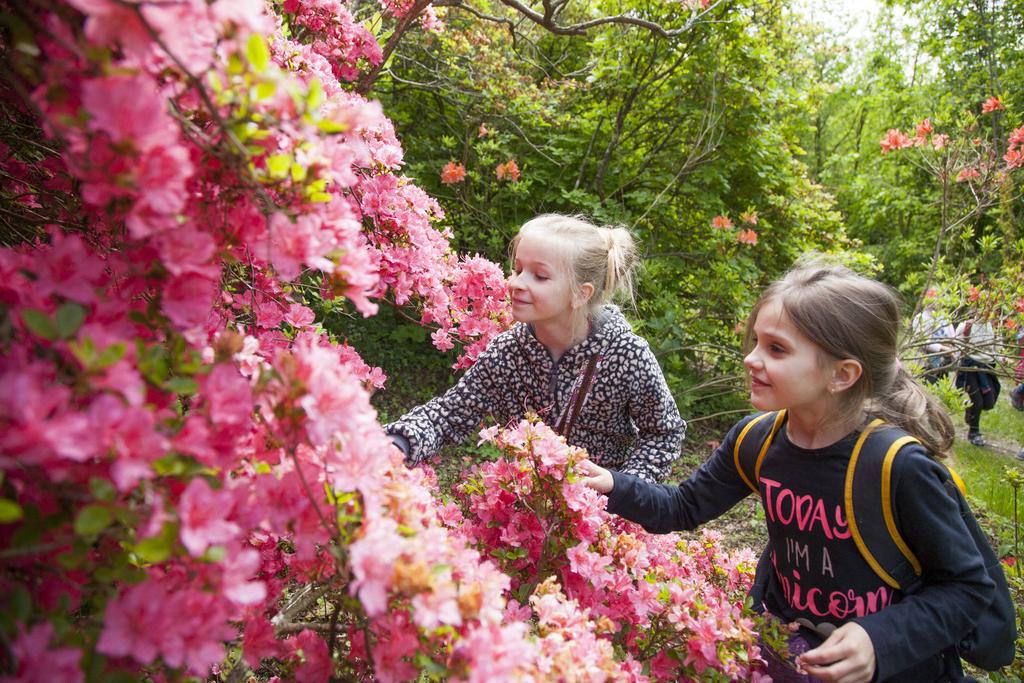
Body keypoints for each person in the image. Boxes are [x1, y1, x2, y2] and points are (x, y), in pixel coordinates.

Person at [580, 259, 994, 682]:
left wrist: (878, 639)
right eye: (756, 341)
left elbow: (966, 588)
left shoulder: (896, 466)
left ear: (842, 374)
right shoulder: (756, 441)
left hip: (895, 668)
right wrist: (611, 484)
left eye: (776, 349)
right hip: (791, 654)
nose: (751, 359)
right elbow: (683, 507)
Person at [385, 214, 685, 482]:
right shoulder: (508, 352)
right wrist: (397, 445)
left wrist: (624, 488)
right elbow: (449, 415)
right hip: (526, 509)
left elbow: (663, 434)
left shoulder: (626, 354)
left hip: (604, 518)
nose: (516, 283)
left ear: (581, 294)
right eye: (517, 269)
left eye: (539, 276)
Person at [954, 315, 1000, 447]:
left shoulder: (991, 326)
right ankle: (973, 432)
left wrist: (1000, 359)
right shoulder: (966, 326)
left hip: (985, 368)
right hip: (970, 369)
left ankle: (970, 406)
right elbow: (958, 348)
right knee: (978, 402)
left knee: (989, 402)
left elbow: (995, 348)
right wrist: (958, 368)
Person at [909, 299, 954, 384]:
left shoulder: (945, 317)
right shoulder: (921, 317)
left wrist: (950, 344)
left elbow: (952, 337)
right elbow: (921, 341)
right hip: (925, 365)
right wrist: (941, 348)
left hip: (943, 364)